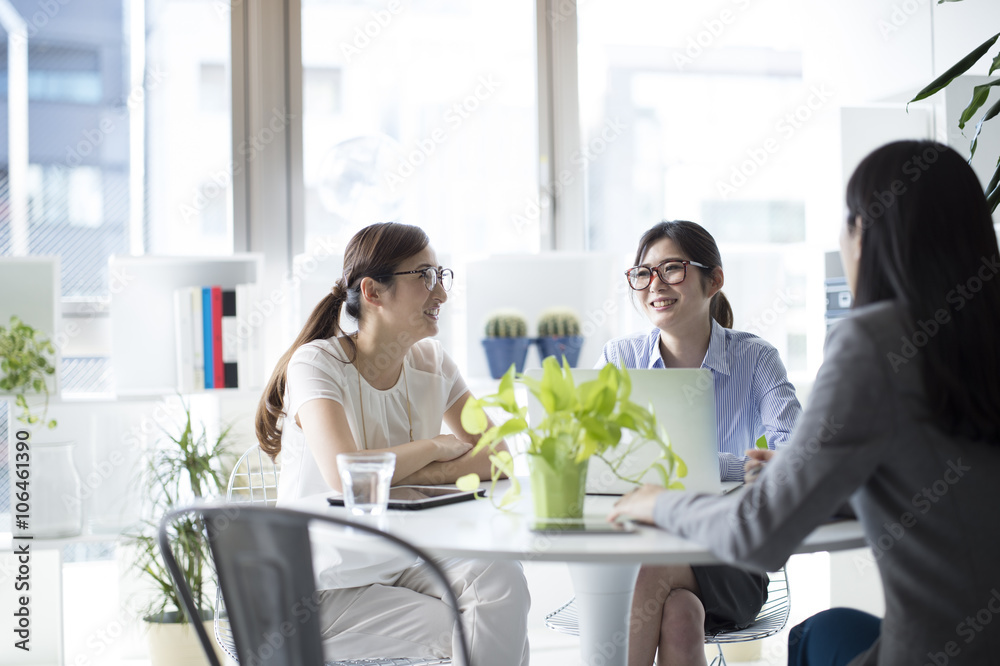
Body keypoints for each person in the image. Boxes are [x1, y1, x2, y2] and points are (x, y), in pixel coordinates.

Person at [609, 140, 1000, 666]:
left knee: (811, 637)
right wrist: (812, 474)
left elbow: (759, 530)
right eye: (644, 273)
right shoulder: (975, 339)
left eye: (848, 221)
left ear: (868, 231)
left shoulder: (871, 343)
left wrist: (657, 499)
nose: (655, 284)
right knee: (800, 627)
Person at [255, 222, 530, 665]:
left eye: (441, 276)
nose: (440, 293)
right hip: (318, 582)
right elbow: (347, 477)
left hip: (397, 558)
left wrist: (399, 470)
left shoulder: (432, 361)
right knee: (461, 629)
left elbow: (498, 457)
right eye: (424, 276)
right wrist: (437, 447)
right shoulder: (316, 363)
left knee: (501, 580)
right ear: (373, 292)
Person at [598, 220, 802, 665]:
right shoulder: (621, 358)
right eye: (643, 273)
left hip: (732, 552)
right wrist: (733, 466)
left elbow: (798, 457)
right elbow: (592, 455)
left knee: (651, 575)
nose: (655, 285)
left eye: (672, 269)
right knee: (681, 613)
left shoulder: (756, 358)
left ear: (715, 279)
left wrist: (711, 466)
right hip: (639, 543)